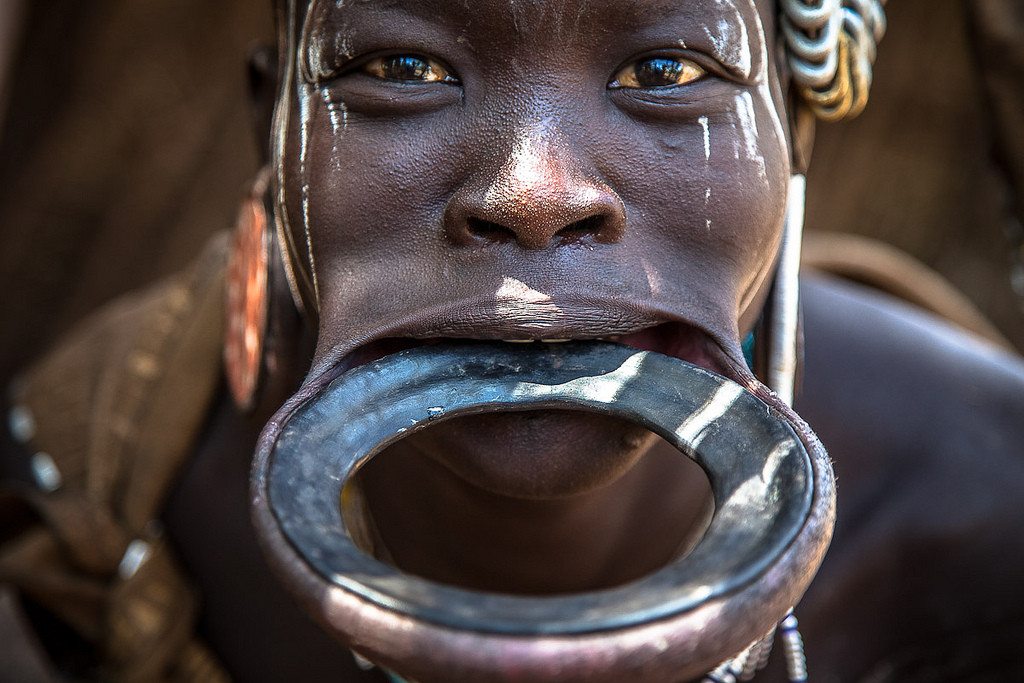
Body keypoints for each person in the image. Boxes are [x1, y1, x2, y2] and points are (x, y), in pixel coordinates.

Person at [2, 1, 1023, 681]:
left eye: (666, 69)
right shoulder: (100, 488)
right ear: (272, 122)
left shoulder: (988, 538)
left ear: (793, 135)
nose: (532, 192)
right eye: (400, 66)